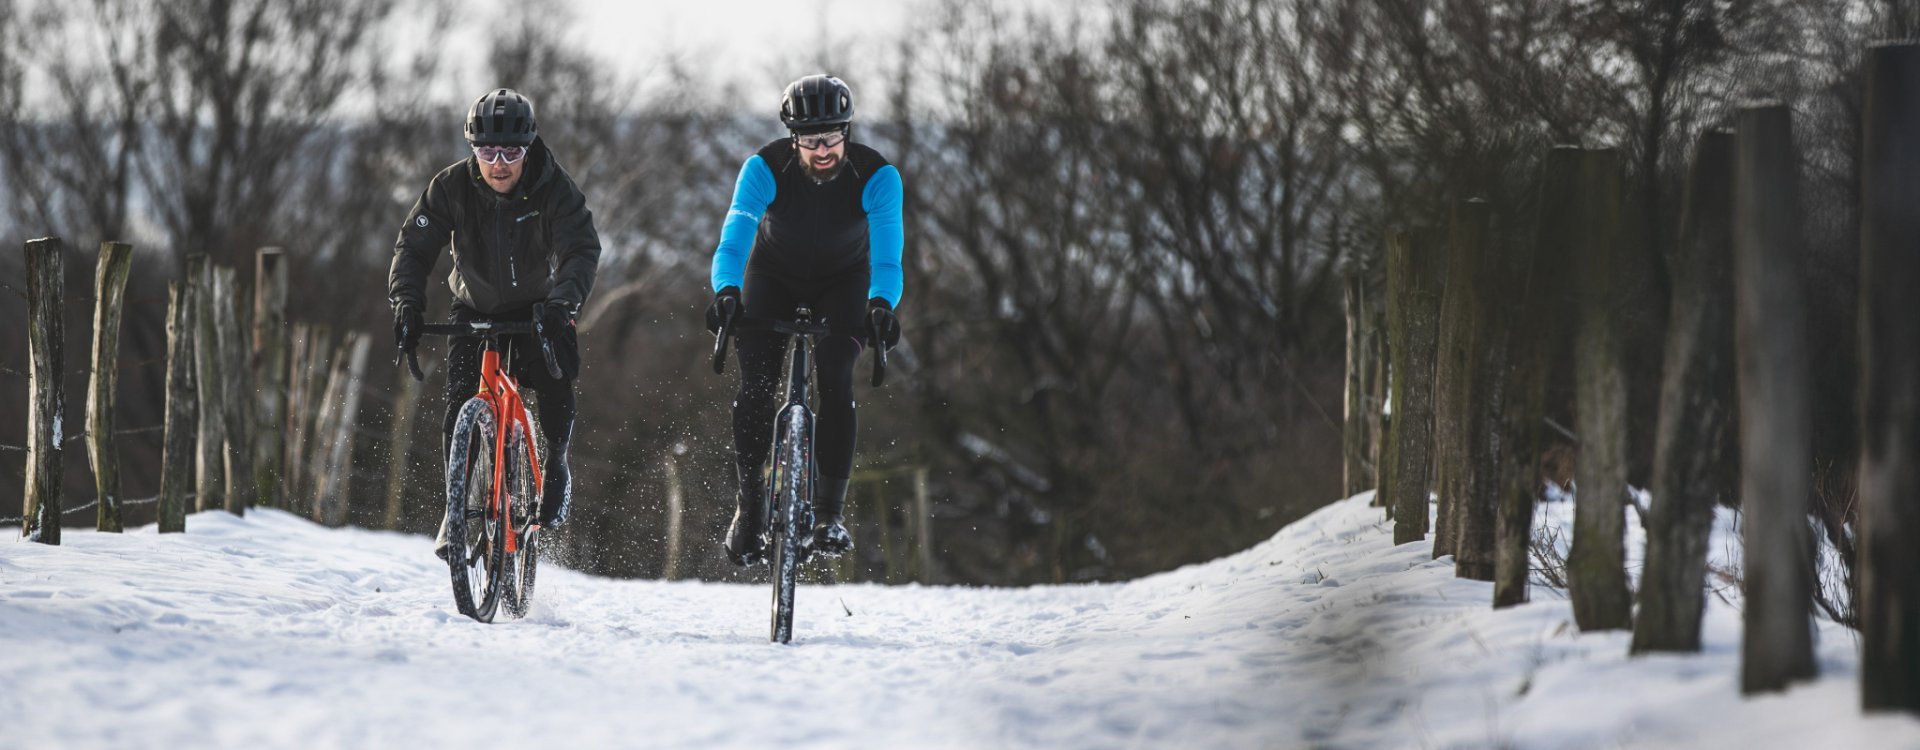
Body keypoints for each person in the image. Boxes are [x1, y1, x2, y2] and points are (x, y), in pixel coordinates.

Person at [389, 88, 603, 559]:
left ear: (528, 148)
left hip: (539, 307)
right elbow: (413, 249)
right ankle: (458, 506)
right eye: (487, 151)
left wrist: (562, 303)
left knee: (554, 378)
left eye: (511, 152)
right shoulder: (450, 187)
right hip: (473, 305)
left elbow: (580, 250)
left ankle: (558, 463)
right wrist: (407, 305)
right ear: (473, 149)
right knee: (460, 401)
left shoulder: (554, 187)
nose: (499, 163)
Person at [706, 73, 904, 567]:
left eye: (833, 136)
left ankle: (828, 516)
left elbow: (887, 259)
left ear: (847, 131)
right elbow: (735, 237)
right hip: (773, 277)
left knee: (836, 377)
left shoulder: (877, 176)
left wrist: (881, 304)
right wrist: (727, 291)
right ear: (793, 138)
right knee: (757, 383)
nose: (822, 149)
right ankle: (749, 508)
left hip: (845, 282)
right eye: (811, 139)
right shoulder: (764, 168)